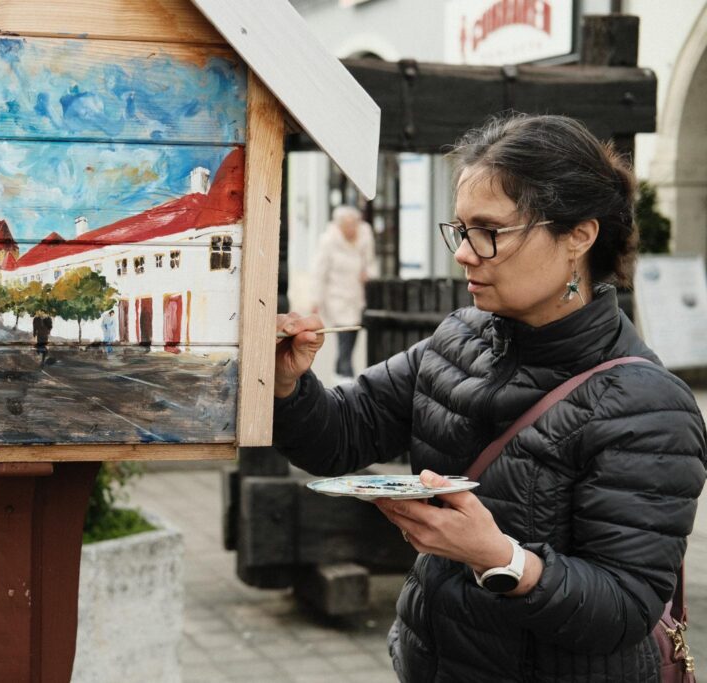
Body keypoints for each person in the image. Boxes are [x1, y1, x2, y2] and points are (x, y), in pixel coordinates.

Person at [273, 114, 707, 682]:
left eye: (490, 231)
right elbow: (341, 436)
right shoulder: (458, 337)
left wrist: (500, 559)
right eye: (459, 229)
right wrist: (287, 384)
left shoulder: (646, 404)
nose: (464, 254)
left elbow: (624, 608)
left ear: (579, 234)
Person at [311, 204, 378, 380]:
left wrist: (368, 274)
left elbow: (371, 263)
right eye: (347, 225)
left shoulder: (365, 234)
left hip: (357, 296)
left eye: (354, 224)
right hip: (337, 297)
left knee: (352, 336)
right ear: (339, 225)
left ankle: (339, 371)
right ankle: (346, 376)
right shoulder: (328, 240)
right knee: (344, 339)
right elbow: (319, 272)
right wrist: (315, 300)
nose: (351, 229)